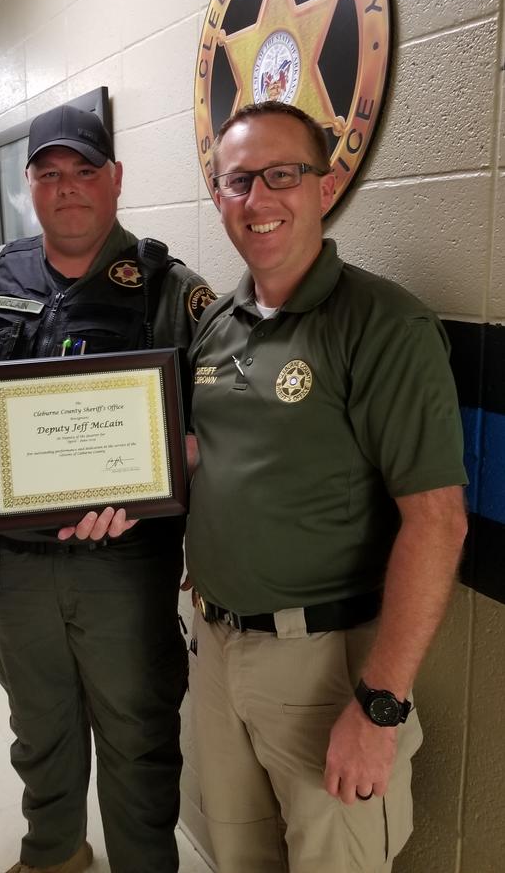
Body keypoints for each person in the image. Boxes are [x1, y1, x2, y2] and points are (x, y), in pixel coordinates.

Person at [0, 103, 215, 873]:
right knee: (37, 727)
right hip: (13, 565)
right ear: (28, 187)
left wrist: (170, 470)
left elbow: (222, 426)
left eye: (84, 171)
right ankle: (54, 855)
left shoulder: (169, 290)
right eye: (50, 174)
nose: (68, 188)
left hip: (127, 567)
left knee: (138, 736)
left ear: (114, 180)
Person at [182, 100, 468, 873]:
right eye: (238, 180)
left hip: (319, 666)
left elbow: (438, 523)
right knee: (237, 853)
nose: (258, 199)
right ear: (217, 195)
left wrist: (379, 706)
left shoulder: (381, 325)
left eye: (283, 174)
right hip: (214, 646)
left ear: (325, 183)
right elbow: (204, 457)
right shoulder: (216, 323)